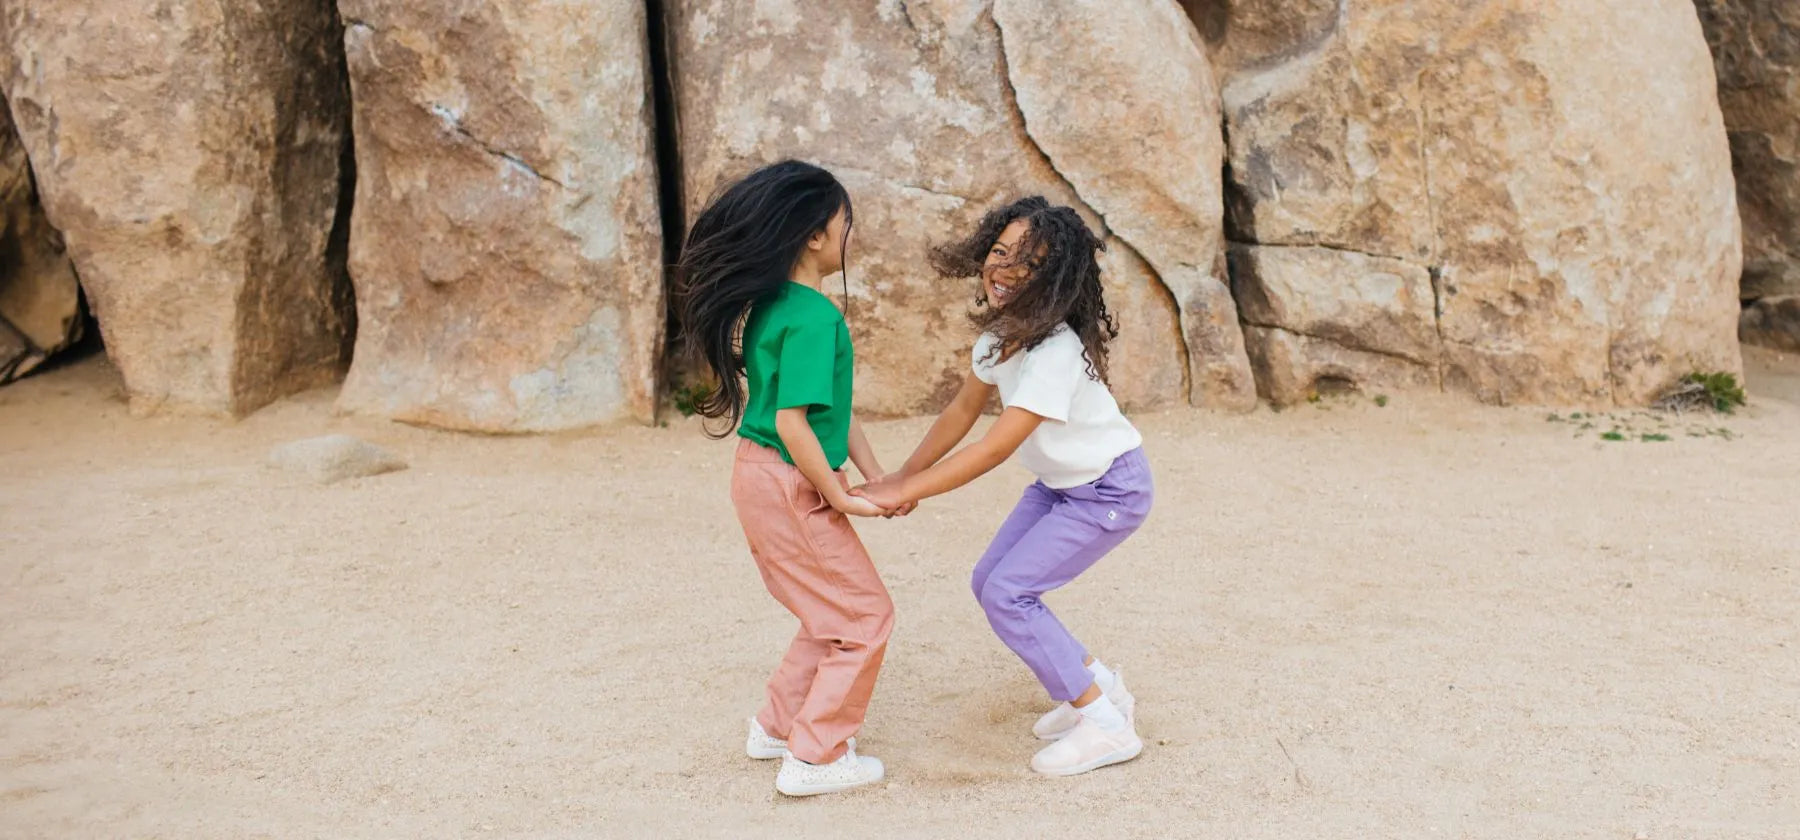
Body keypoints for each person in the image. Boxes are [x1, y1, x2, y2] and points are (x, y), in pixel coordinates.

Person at [854, 196, 1153, 776]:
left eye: (1029, 263)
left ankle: (1106, 727)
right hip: (1061, 485)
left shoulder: (1056, 350)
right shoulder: (1000, 337)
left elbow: (994, 446)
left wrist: (905, 492)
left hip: (1110, 491)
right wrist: (903, 479)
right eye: (999, 253)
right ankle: (1098, 689)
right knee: (989, 581)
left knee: (1009, 593)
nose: (1006, 270)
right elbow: (961, 412)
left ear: (1058, 278)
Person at [676, 160, 898, 796]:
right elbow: (795, 424)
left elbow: (832, 411)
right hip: (788, 477)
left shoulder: (776, 305)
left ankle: (777, 727)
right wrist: (839, 496)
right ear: (814, 236)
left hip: (762, 474)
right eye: (844, 224)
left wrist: (875, 477)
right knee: (864, 616)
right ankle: (816, 757)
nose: (849, 235)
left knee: (826, 610)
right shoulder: (813, 316)